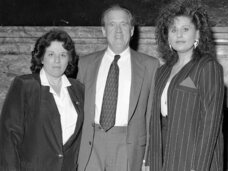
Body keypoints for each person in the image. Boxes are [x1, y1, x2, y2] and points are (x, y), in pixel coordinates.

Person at [77, 5, 159, 171]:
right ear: (103, 30)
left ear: (132, 30)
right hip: (91, 144)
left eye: (124, 24)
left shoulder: (150, 65)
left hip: (129, 146)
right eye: (112, 24)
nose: (118, 30)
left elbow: (152, 116)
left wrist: (148, 158)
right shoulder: (85, 63)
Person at [148, 1, 224, 171]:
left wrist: (198, 167)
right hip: (164, 157)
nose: (179, 35)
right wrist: (149, 161)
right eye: (173, 30)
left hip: (195, 160)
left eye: (185, 29)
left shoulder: (207, 67)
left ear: (197, 33)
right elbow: (155, 122)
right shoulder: (162, 71)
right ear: (166, 36)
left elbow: (210, 124)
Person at [0, 29, 84, 171]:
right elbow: (9, 137)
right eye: (51, 54)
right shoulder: (25, 85)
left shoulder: (78, 89)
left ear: (69, 59)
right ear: (41, 57)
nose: (57, 60)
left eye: (63, 54)